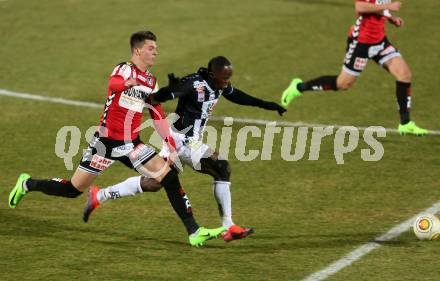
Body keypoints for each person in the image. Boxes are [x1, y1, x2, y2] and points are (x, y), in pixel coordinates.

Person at [8, 30, 225, 247]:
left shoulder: (150, 81)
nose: (155, 52)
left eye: (156, 49)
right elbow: (113, 84)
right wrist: (126, 84)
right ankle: (27, 184)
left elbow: (156, 112)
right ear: (137, 50)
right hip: (105, 144)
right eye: (151, 48)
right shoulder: (124, 69)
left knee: (168, 177)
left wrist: (168, 140)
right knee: (72, 190)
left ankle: (194, 231)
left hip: (131, 144)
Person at [83, 56, 286, 242]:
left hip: (185, 141)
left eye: (228, 79)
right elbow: (157, 99)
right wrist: (167, 89)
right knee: (221, 166)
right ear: (213, 74)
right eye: (224, 78)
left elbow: (241, 97)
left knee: (154, 183)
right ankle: (228, 226)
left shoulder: (219, 85)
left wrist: (269, 105)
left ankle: (99, 195)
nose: (227, 82)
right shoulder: (193, 83)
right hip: (181, 139)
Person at [281, 0, 428, 136]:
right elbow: (360, 7)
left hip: (379, 41)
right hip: (361, 43)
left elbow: (379, 5)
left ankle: (405, 123)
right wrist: (388, 7)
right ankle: (298, 87)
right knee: (343, 84)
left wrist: (391, 18)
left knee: (404, 74)